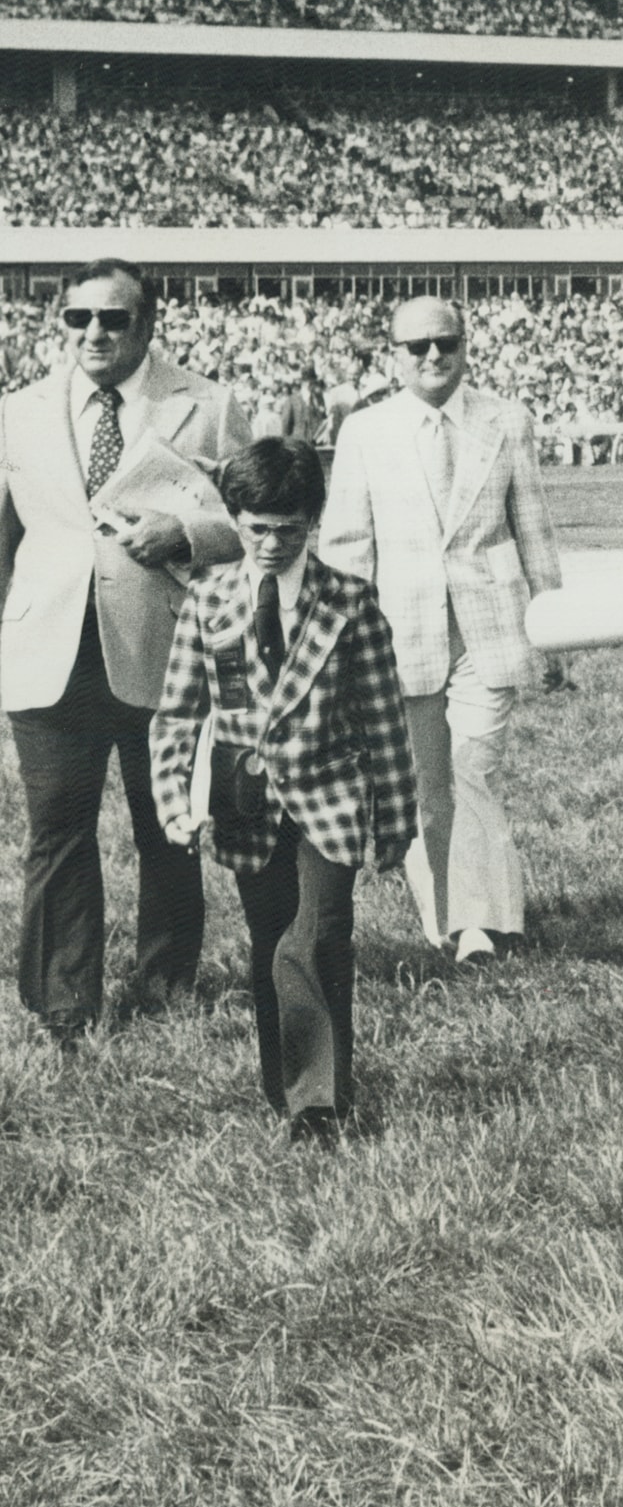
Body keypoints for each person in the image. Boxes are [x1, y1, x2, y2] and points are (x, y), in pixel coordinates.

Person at [0, 261, 248, 1045]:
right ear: (61, 323)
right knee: (58, 830)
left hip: (166, 645)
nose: (95, 334)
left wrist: (188, 535)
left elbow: (257, 520)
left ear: (148, 323)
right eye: (78, 319)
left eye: (113, 319)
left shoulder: (207, 404)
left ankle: (167, 979)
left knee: (166, 825)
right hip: (52, 649)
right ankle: (63, 1004)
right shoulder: (20, 412)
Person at [148, 439, 417, 1142]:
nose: (270, 544)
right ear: (234, 519)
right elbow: (179, 714)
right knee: (271, 941)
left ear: (313, 523)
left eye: (287, 529)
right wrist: (176, 801)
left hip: (331, 800)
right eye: (255, 528)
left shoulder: (350, 602)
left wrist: (396, 818)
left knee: (320, 934)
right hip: (246, 807)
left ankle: (318, 1103)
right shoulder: (208, 601)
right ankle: (288, 1082)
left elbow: (382, 718)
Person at [320, 298, 562, 966]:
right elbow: (345, 548)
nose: (433, 356)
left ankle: (480, 925)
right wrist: (342, 645)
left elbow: (534, 529)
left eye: (445, 343)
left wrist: (555, 623)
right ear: (393, 354)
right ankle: (452, 916)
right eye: (417, 346)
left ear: (465, 344)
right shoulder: (365, 431)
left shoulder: (507, 420)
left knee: (470, 768)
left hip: (493, 628)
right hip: (403, 636)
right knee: (429, 784)